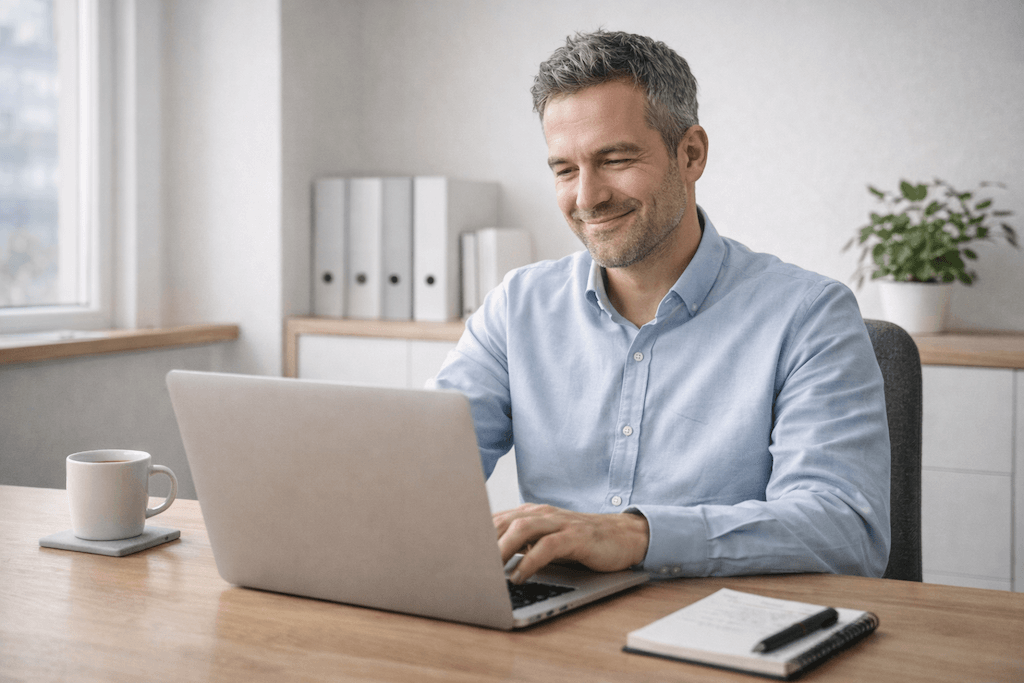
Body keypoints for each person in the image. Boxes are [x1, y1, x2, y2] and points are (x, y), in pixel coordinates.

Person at [433, 30, 890, 584]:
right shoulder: (516, 307)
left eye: (616, 159)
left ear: (691, 154)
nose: (586, 197)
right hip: (554, 629)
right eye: (564, 170)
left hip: (723, 634)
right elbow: (421, 476)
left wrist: (635, 535)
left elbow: (847, 531)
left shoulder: (809, 315)